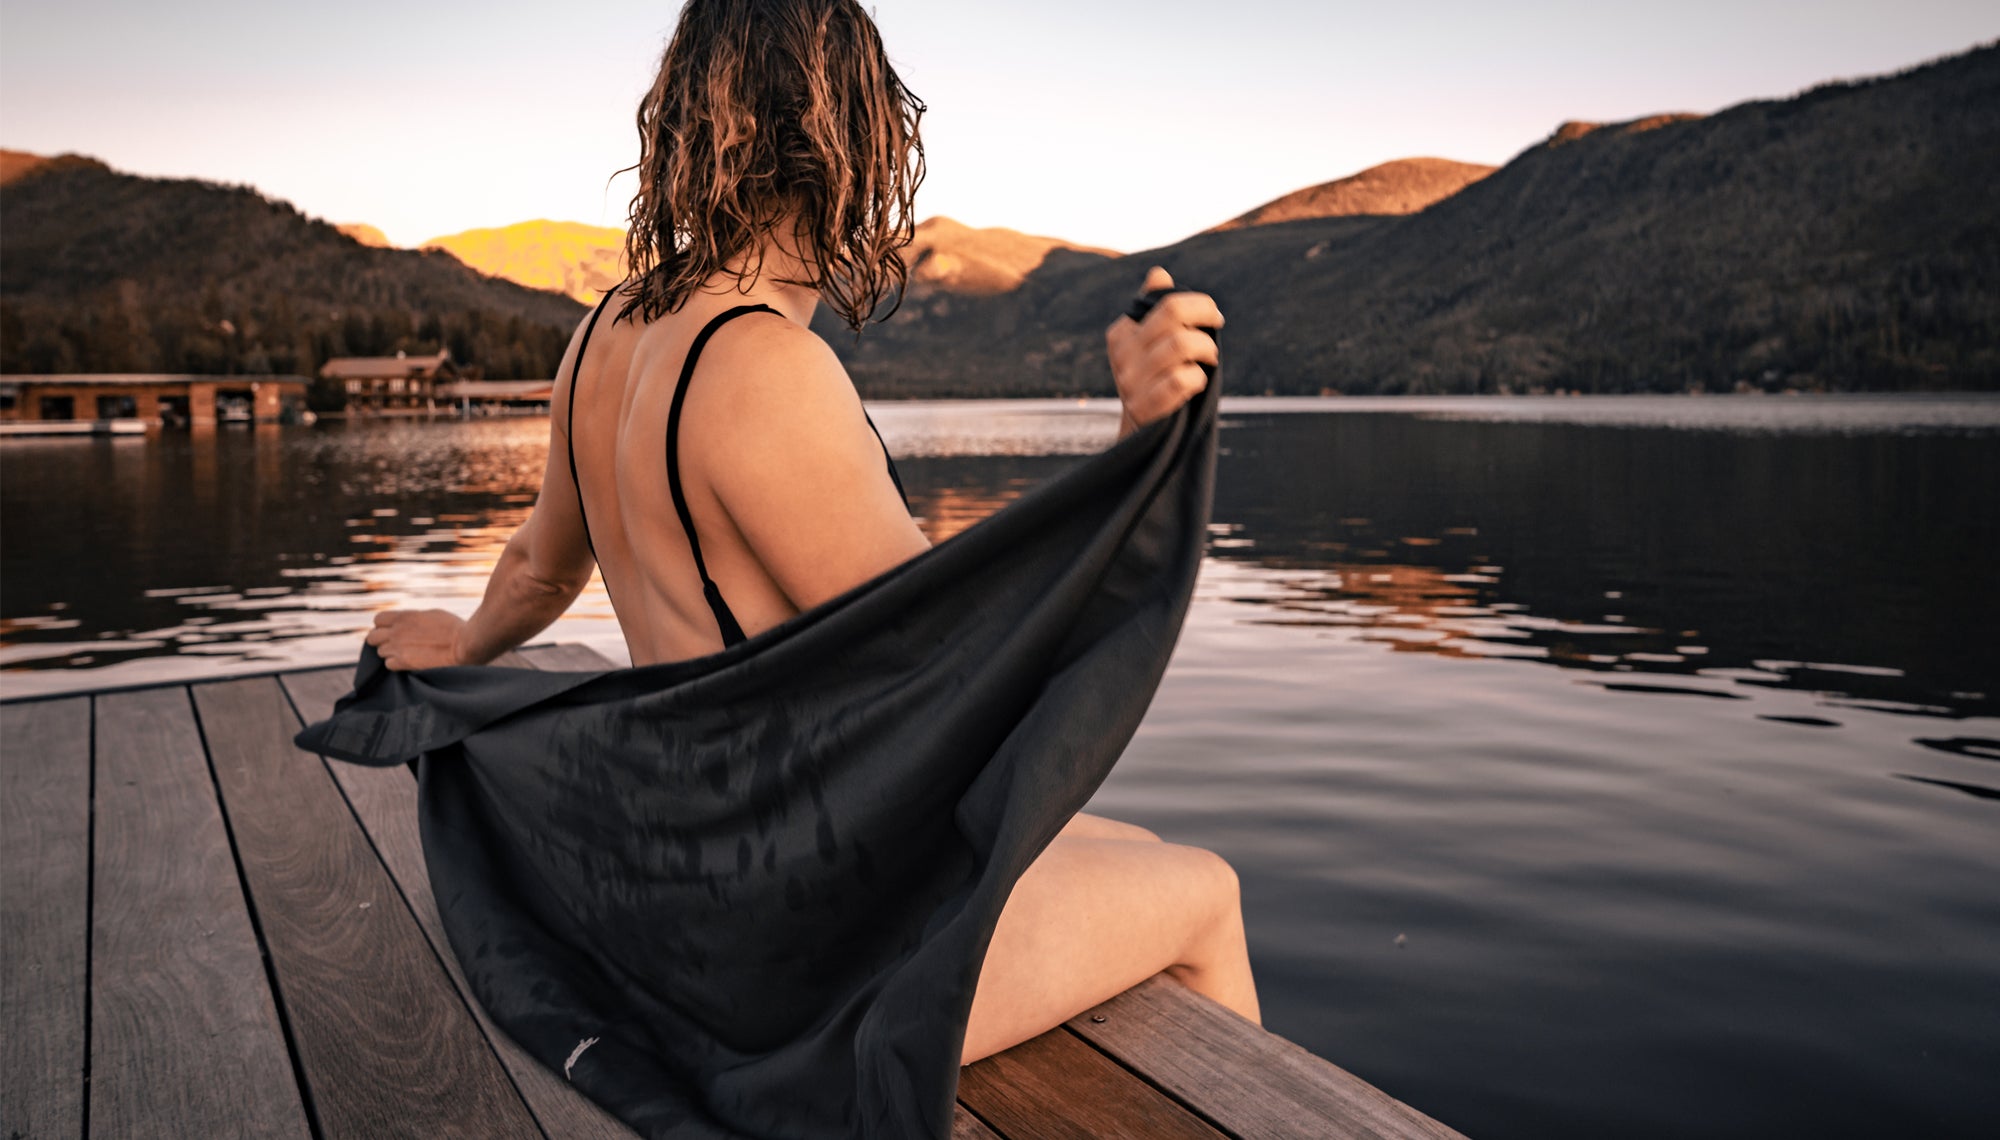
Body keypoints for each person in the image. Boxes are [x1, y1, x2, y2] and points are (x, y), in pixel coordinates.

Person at [359, 0, 1258, 1072]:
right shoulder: (765, 370)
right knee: (1203, 894)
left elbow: (539, 565)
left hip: (680, 875)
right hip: (784, 946)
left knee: (1137, 854)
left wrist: (461, 646)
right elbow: (960, 686)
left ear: (689, 125)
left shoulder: (602, 333)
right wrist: (1137, 449)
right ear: (856, 139)